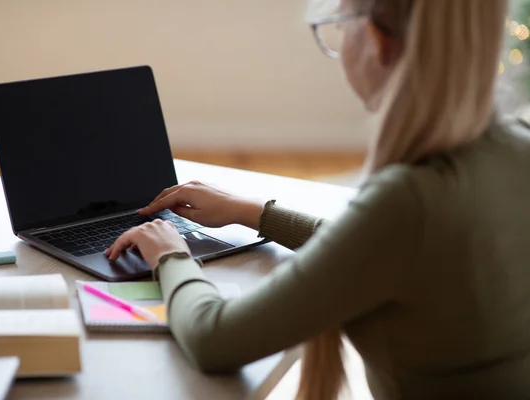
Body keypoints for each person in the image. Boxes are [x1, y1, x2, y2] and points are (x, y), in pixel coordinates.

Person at [105, 0, 525, 398]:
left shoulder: (409, 200)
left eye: (339, 28)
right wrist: (251, 212)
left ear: (376, 41)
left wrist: (171, 255)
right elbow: (372, 250)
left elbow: (214, 338)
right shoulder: (517, 148)